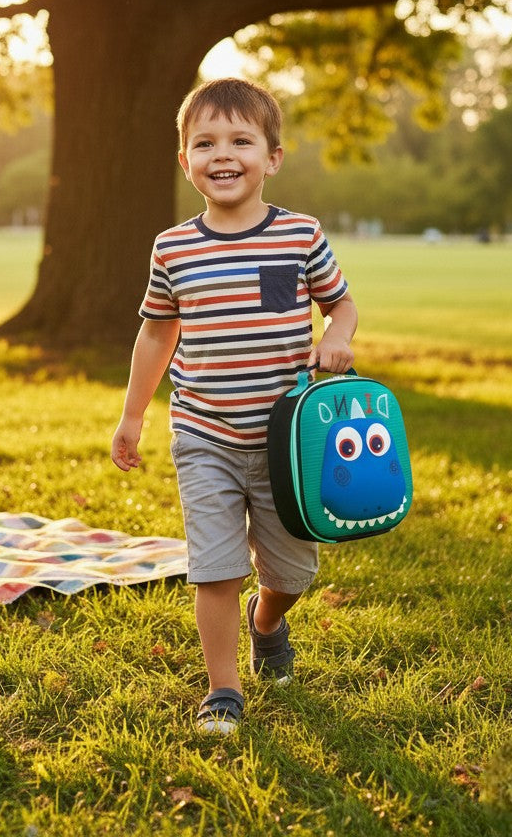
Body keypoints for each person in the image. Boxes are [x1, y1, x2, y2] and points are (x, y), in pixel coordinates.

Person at [111, 77, 358, 735]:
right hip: (204, 435)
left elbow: (342, 304)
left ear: (272, 158)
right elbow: (157, 332)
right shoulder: (174, 248)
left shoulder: (299, 235)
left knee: (293, 572)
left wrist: (336, 336)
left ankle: (267, 621)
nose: (223, 154)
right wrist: (133, 415)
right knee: (215, 568)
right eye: (205, 142)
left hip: (288, 444)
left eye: (241, 140)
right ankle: (224, 689)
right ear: (185, 161)